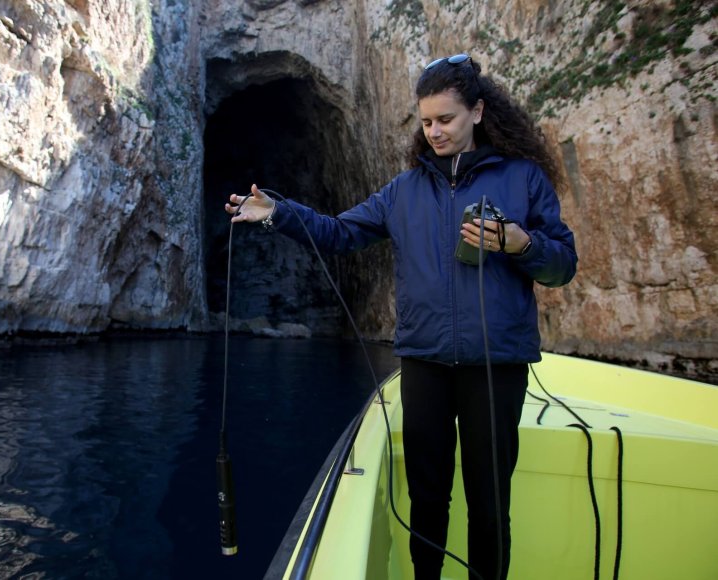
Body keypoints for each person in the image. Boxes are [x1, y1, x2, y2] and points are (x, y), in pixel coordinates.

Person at [225, 54, 577, 580]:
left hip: (495, 365)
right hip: (424, 364)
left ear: (477, 112)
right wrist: (278, 212)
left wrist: (520, 242)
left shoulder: (522, 179)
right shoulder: (403, 190)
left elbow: (562, 266)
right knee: (427, 497)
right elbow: (339, 233)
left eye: (446, 119)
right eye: (427, 121)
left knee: (489, 500)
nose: (435, 131)